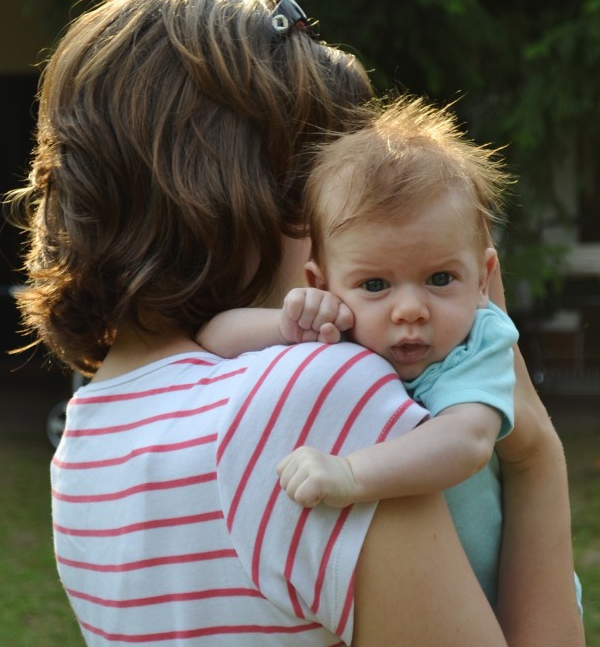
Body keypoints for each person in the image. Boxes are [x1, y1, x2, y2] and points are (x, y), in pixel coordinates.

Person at [7, 0, 590, 647]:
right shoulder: (310, 396)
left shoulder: (86, 445)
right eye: (318, 180)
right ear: (264, 189)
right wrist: (534, 454)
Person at [198, 96, 520, 518]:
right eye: (374, 284)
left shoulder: (478, 342)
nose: (409, 310)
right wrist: (287, 323)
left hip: (486, 584)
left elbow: (468, 440)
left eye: (440, 279)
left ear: (482, 279)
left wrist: (351, 474)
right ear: (322, 283)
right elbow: (213, 338)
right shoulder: (342, 323)